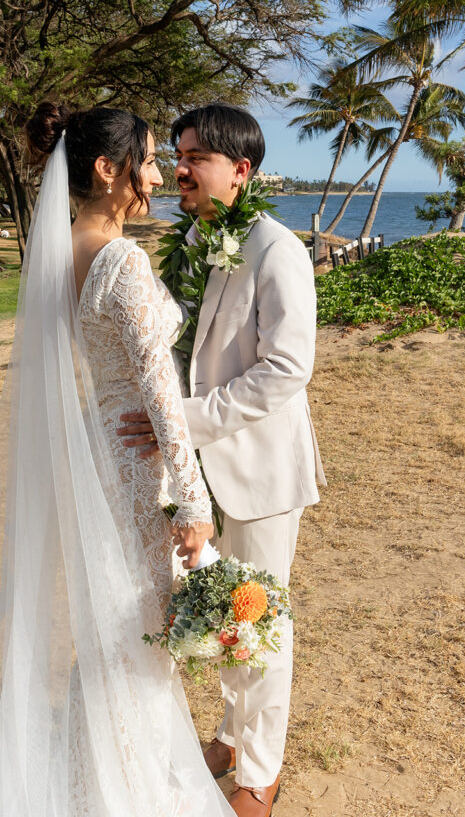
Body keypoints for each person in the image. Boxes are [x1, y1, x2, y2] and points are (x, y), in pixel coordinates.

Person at [0, 103, 234, 817]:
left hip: (99, 449)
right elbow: (160, 396)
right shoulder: (123, 260)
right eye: (152, 161)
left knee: (117, 631)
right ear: (107, 169)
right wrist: (193, 506)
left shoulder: (61, 247)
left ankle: (103, 779)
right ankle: (121, 793)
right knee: (140, 638)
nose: (161, 177)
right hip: (136, 470)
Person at [119, 103, 325, 817]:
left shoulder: (275, 249)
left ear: (239, 171)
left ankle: (260, 774)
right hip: (200, 475)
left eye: (196, 156)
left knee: (260, 622)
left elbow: (286, 369)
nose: (179, 168)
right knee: (219, 613)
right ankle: (231, 735)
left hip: (261, 474)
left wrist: (182, 422)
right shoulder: (195, 242)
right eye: (177, 154)